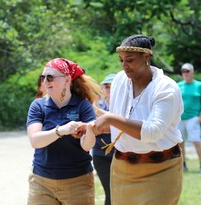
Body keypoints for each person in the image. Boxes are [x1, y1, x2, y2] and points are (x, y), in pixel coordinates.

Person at [92, 34, 183, 205]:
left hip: (160, 169)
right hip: (122, 169)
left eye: (130, 60)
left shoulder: (166, 88)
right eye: (121, 60)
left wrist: (110, 118)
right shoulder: (120, 79)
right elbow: (121, 126)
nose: (124, 66)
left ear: (147, 57)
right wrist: (93, 126)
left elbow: (152, 132)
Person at [26, 58, 101, 205]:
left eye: (50, 77)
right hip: (41, 182)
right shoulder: (38, 105)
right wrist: (62, 130)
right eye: (43, 77)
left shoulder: (83, 106)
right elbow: (35, 141)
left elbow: (86, 146)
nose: (45, 81)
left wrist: (89, 129)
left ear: (67, 80)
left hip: (77, 182)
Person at [92, 73, 115, 205]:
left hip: (121, 154)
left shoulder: (125, 105)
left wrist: (104, 125)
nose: (109, 89)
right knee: (109, 192)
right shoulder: (97, 105)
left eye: (112, 86)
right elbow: (95, 129)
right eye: (107, 86)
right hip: (100, 154)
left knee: (122, 191)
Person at [177, 63, 201, 172]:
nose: (185, 73)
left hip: (193, 117)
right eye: (183, 71)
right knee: (179, 141)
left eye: (187, 71)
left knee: (196, 140)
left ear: (193, 72)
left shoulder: (198, 85)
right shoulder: (178, 85)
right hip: (180, 118)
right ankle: (183, 164)